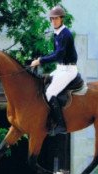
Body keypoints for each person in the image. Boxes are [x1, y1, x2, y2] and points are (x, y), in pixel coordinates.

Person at [31, 5, 78, 135]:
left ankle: (61, 125)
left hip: (69, 70)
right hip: (60, 68)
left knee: (50, 92)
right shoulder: (56, 34)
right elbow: (54, 52)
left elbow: (58, 55)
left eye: (56, 19)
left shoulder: (65, 34)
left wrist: (40, 61)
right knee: (44, 84)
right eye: (51, 19)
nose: (53, 21)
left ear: (61, 19)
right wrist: (41, 59)